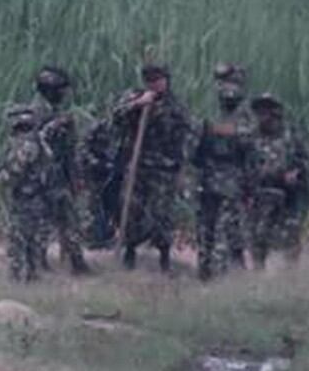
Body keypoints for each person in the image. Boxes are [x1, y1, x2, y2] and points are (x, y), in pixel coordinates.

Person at [111, 64, 194, 272]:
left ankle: (164, 258)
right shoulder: (135, 97)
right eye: (151, 81)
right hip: (138, 165)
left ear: (166, 80)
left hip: (164, 170)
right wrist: (138, 104)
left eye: (159, 80)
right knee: (131, 208)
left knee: (162, 213)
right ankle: (129, 251)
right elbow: (115, 117)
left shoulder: (176, 106)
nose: (156, 84)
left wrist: (183, 169)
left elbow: (186, 137)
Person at [192, 63, 254, 281]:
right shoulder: (211, 110)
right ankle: (204, 271)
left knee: (227, 226)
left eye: (231, 83)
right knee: (205, 226)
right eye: (222, 84)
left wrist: (222, 131)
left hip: (232, 179)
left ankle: (224, 273)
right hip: (208, 178)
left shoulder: (247, 112)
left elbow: (249, 142)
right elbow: (195, 147)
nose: (227, 89)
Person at [30, 66, 90, 275]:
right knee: (44, 219)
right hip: (44, 175)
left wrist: (75, 176)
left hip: (61, 174)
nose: (63, 95)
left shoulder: (56, 112)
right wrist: (55, 125)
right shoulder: (36, 112)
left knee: (70, 217)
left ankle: (77, 261)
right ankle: (39, 260)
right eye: (60, 90)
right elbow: (33, 141)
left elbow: (69, 149)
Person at [0, 104, 54, 282]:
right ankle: (32, 276)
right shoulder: (38, 142)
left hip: (26, 199)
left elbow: (12, 176)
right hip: (36, 197)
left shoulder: (26, 146)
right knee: (31, 240)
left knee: (18, 240)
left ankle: (16, 277)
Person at [246, 93, 309, 269]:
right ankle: (257, 276)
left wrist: (295, 173)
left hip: (287, 196)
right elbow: (243, 164)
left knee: (290, 239)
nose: (261, 115)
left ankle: (291, 278)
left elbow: (307, 161)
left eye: (265, 110)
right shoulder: (251, 137)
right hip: (260, 195)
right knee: (258, 238)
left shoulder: (291, 135)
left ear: (275, 112)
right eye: (258, 111)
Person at [77, 117, 120, 250]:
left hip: (108, 174)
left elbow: (115, 150)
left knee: (109, 206)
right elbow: (83, 148)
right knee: (93, 206)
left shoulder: (117, 131)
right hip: (92, 173)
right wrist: (93, 161)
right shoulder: (95, 128)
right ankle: (93, 238)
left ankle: (106, 236)